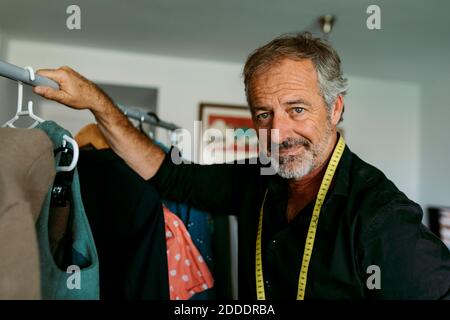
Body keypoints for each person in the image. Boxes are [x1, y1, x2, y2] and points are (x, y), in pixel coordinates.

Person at [33, 32, 450, 300]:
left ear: (335, 108)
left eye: (297, 109)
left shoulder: (379, 216)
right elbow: (167, 173)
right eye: (263, 114)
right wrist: (95, 100)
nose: (278, 132)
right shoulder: (259, 178)